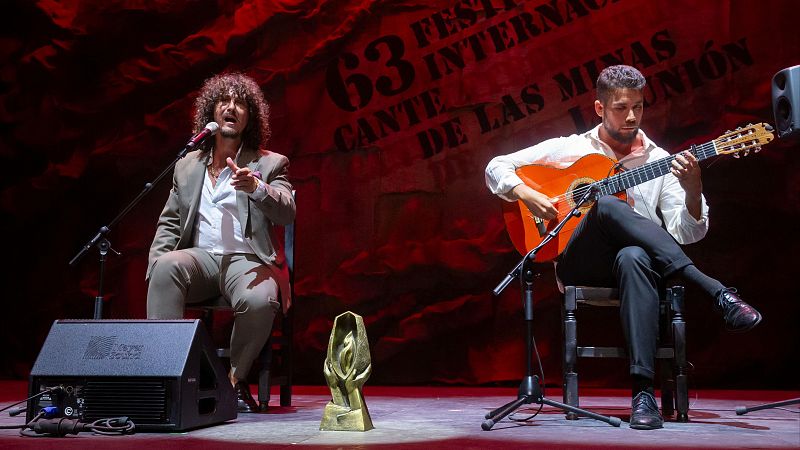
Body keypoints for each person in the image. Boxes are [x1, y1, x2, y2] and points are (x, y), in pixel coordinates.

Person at [485, 65, 762, 430]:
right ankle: (715, 291)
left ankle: (642, 395)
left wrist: (693, 188)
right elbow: (496, 166)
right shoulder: (570, 148)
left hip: (638, 268)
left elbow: (687, 231)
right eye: (620, 107)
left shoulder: (661, 160)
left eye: (638, 106)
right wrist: (526, 193)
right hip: (577, 262)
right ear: (599, 108)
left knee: (634, 255)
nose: (631, 116)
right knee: (609, 203)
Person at [147, 72, 295, 413]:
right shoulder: (186, 166)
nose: (231, 107)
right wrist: (156, 264)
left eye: (240, 103)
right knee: (165, 267)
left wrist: (257, 189)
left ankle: (232, 381)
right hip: (200, 259)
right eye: (224, 101)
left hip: (246, 261)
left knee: (260, 300)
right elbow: (169, 222)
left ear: (250, 118)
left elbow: (287, 212)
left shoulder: (270, 163)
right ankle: (167, 379)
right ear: (211, 113)